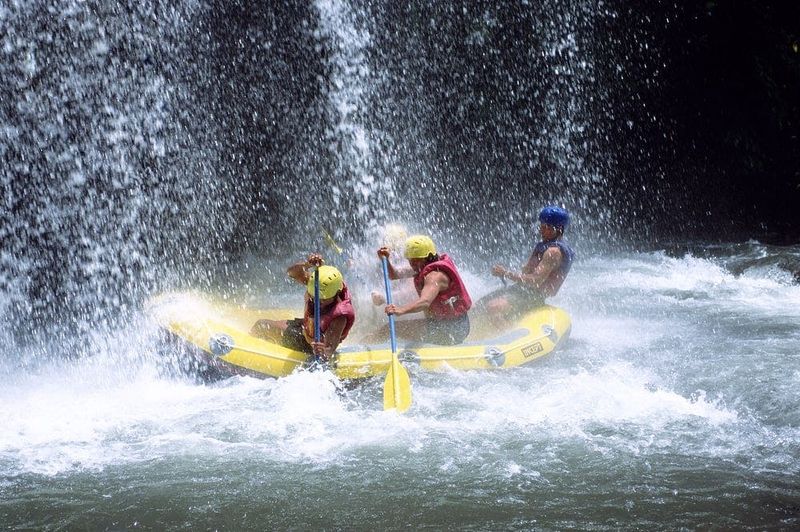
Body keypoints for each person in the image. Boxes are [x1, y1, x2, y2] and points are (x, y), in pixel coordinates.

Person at [250, 254, 355, 361]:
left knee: (261, 326)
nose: (317, 302)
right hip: (306, 327)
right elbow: (292, 272)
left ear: (337, 294)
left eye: (322, 300)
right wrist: (307, 264)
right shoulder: (317, 285)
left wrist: (322, 351)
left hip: (308, 343)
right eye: (314, 298)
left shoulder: (339, 316)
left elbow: (329, 349)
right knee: (261, 325)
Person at [482, 205, 574, 325]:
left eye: (545, 227)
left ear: (558, 229)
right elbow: (526, 272)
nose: (541, 230)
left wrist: (505, 273)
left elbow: (535, 281)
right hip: (521, 290)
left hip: (534, 296)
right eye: (541, 226)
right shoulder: (543, 246)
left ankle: (508, 338)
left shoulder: (553, 252)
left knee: (493, 307)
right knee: (476, 306)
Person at [375, 234, 473, 345]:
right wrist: (386, 259)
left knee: (388, 329)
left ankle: (360, 348)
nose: (412, 264)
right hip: (442, 323)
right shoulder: (421, 266)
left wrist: (400, 310)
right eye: (410, 261)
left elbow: (425, 302)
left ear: (428, 257)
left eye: (415, 261)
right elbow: (394, 275)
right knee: (390, 329)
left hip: (453, 329)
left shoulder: (435, 276)